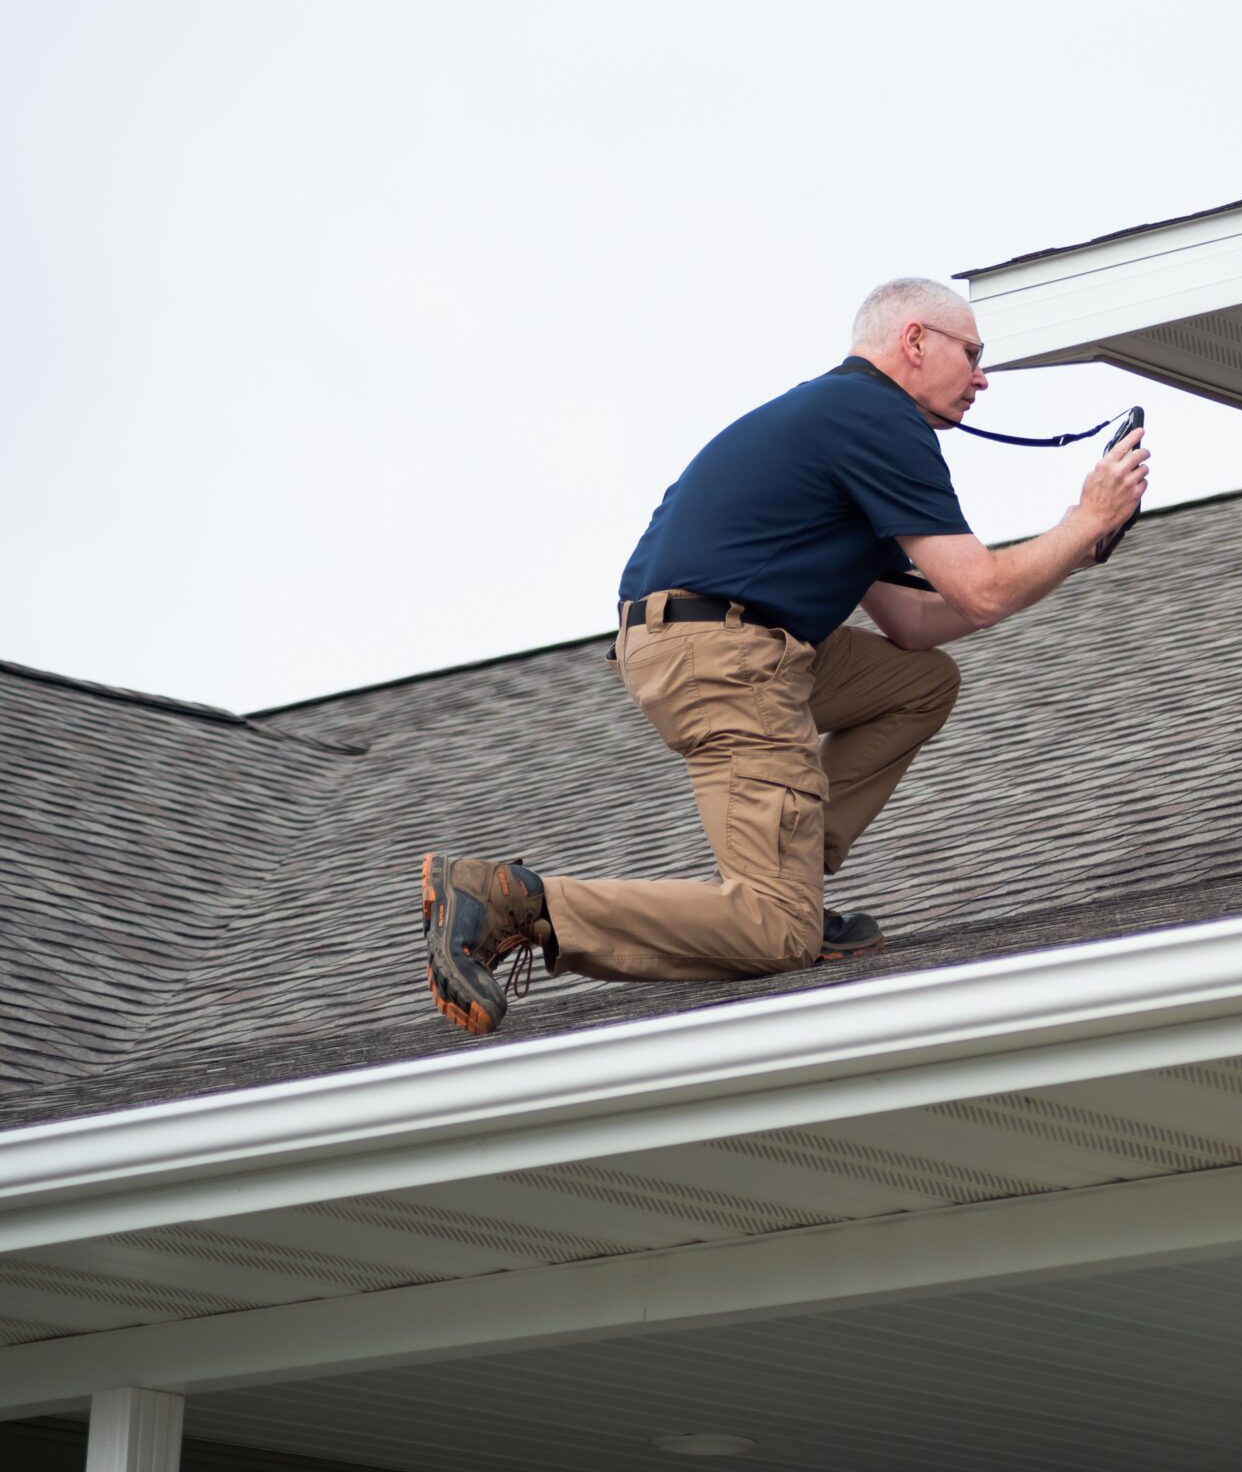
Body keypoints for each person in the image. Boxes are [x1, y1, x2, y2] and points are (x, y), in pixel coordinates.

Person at [418, 277, 1148, 1035]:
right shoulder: (878, 418)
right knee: (779, 932)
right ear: (915, 341)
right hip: (726, 651)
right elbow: (982, 591)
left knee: (922, 683)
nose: (981, 376)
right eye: (972, 353)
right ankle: (511, 900)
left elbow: (918, 624)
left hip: (708, 639)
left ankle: (790, 868)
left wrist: (1074, 552)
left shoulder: (837, 418)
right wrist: (1081, 520)